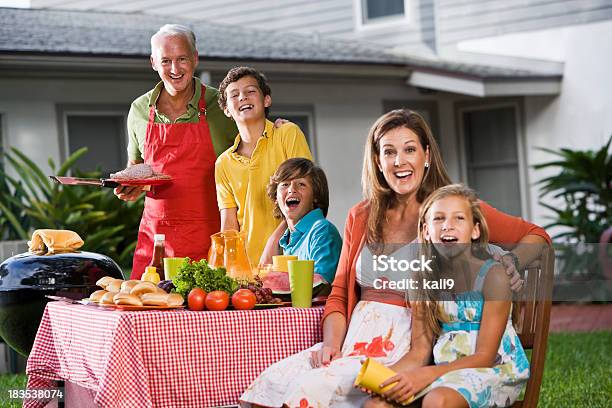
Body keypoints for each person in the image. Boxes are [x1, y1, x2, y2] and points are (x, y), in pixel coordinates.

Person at [239, 109, 549, 407]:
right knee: (271, 384)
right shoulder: (361, 215)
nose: (399, 161)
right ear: (377, 160)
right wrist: (333, 344)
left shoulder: (448, 212)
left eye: (409, 149)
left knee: (310, 391)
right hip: (351, 341)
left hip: (408, 345)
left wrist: (514, 261)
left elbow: (536, 235)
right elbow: (339, 292)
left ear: (426, 155)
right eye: (389, 152)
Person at [364, 184, 529, 407]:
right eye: (438, 218)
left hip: (493, 371)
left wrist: (428, 374)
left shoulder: (493, 277)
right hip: (444, 373)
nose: (448, 226)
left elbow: (485, 356)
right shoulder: (422, 279)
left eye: (459, 218)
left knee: (437, 400)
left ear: (475, 230)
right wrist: (386, 377)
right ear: (425, 231)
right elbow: (420, 351)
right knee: (375, 404)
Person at [113, 24, 237, 279]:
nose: (175, 69)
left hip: (211, 237)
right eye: (166, 60)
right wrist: (129, 185)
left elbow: (252, 152)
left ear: (195, 58)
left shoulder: (222, 105)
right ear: (153, 62)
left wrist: (278, 127)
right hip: (156, 239)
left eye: (182, 59)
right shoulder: (138, 110)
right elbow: (137, 167)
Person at [215, 66, 312, 265]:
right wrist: (226, 267)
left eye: (250, 91)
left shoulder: (287, 134)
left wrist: (273, 242)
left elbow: (307, 197)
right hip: (248, 268)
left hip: (292, 258)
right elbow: (229, 223)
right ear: (226, 110)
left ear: (266, 100)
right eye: (234, 95)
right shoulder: (223, 163)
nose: (243, 97)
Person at [266, 157, 342, 288]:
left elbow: (321, 284)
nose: (291, 189)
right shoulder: (287, 239)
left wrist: (274, 283)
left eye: (301, 184)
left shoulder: (322, 230)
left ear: (316, 195)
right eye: (285, 184)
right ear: (276, 198)